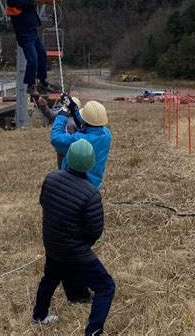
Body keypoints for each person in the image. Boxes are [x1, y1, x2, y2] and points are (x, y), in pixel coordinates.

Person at [32, 139, 115, 336]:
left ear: (68, 157)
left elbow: (43, 203)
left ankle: (39, 316)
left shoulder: (50, 178)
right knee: (106, 286)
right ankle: (94, 331)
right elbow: (94, 231)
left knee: (50, 278)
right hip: (75, 250)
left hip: (52, 243)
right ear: (91, 163)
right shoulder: (91, 194)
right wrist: (80, 245)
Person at [50, 99, 112, 189]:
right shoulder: (106, 134)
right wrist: (73, 107)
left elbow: (55, 138)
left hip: (74, 185)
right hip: (94, 184)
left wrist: (62, 115)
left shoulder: (79, 140)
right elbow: (87, 125)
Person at [6, 0, 49, 97]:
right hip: (24, 34)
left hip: (32, 31)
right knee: (32, 60)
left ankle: (42, 81)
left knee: (42, 55)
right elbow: (30, 3)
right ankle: (30, 85)